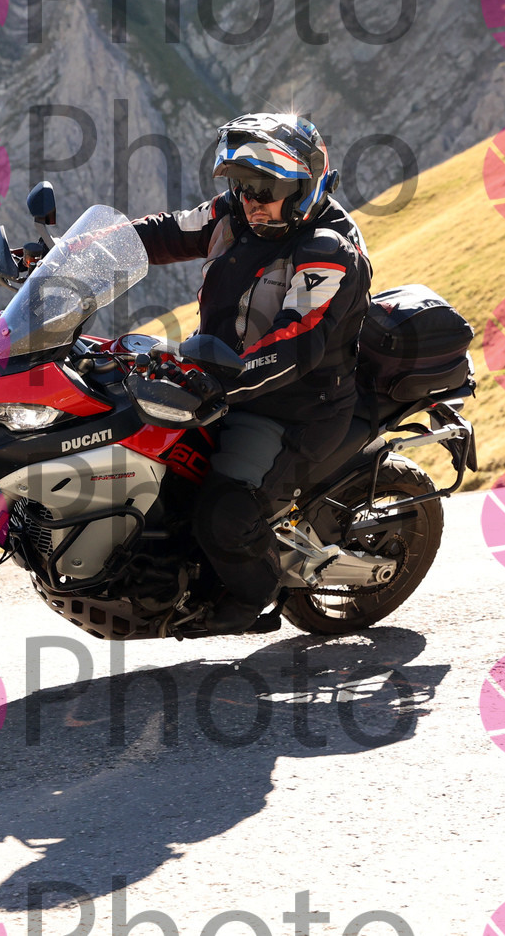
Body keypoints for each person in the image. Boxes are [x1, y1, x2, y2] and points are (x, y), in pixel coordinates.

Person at [130, 113, 374, 634]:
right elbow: (162, 233)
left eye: (266, 188)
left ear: (304, 188)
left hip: (294, 408)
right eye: (242, 185)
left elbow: (293, 346)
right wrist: (70, 254)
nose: (251, 200)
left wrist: (219, 383)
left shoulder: (327, 251)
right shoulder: (235, 214)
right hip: (220, 382)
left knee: (223, 512)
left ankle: (250, 598)